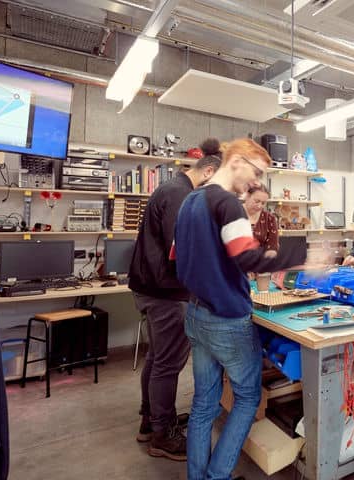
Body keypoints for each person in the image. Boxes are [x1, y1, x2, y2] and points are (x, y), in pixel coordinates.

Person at [172, 138, 307, 480]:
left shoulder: (189, 201)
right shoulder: (229, 204)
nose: (256, 181)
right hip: (227, 320)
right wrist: (303, 258)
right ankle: (218, 475)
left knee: (204, 404)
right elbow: (248, 258)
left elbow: (176, 257)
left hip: (196, 314)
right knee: (247, 399)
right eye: (256, 171)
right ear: (236, 162)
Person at [128, 138, 221, 461]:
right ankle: (162, 435)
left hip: (152, 288)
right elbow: (182, 249)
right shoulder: (181, 194)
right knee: (168, 363)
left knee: (157, 358)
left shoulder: (174, 189)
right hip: (166, 292)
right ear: (208, 172)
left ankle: (151, 420)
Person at [243, 185, 278, 255]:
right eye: (256, 201)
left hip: (259, 263)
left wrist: (270, 255)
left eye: (263, 203)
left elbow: (273, 246)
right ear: (247, 196)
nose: (259, 206)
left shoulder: (269, 218)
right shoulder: (233, 213)